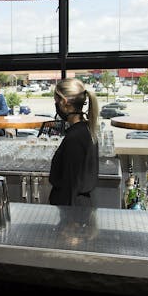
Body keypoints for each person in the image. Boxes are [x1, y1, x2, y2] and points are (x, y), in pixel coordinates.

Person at [48, 78, 99, 207]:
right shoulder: (87, 129)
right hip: (81, 208)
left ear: (64, 103)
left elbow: (70, 185)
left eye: (56, 101)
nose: (56, 106)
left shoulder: (75, 138)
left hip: (72, 213)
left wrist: (70, 224)